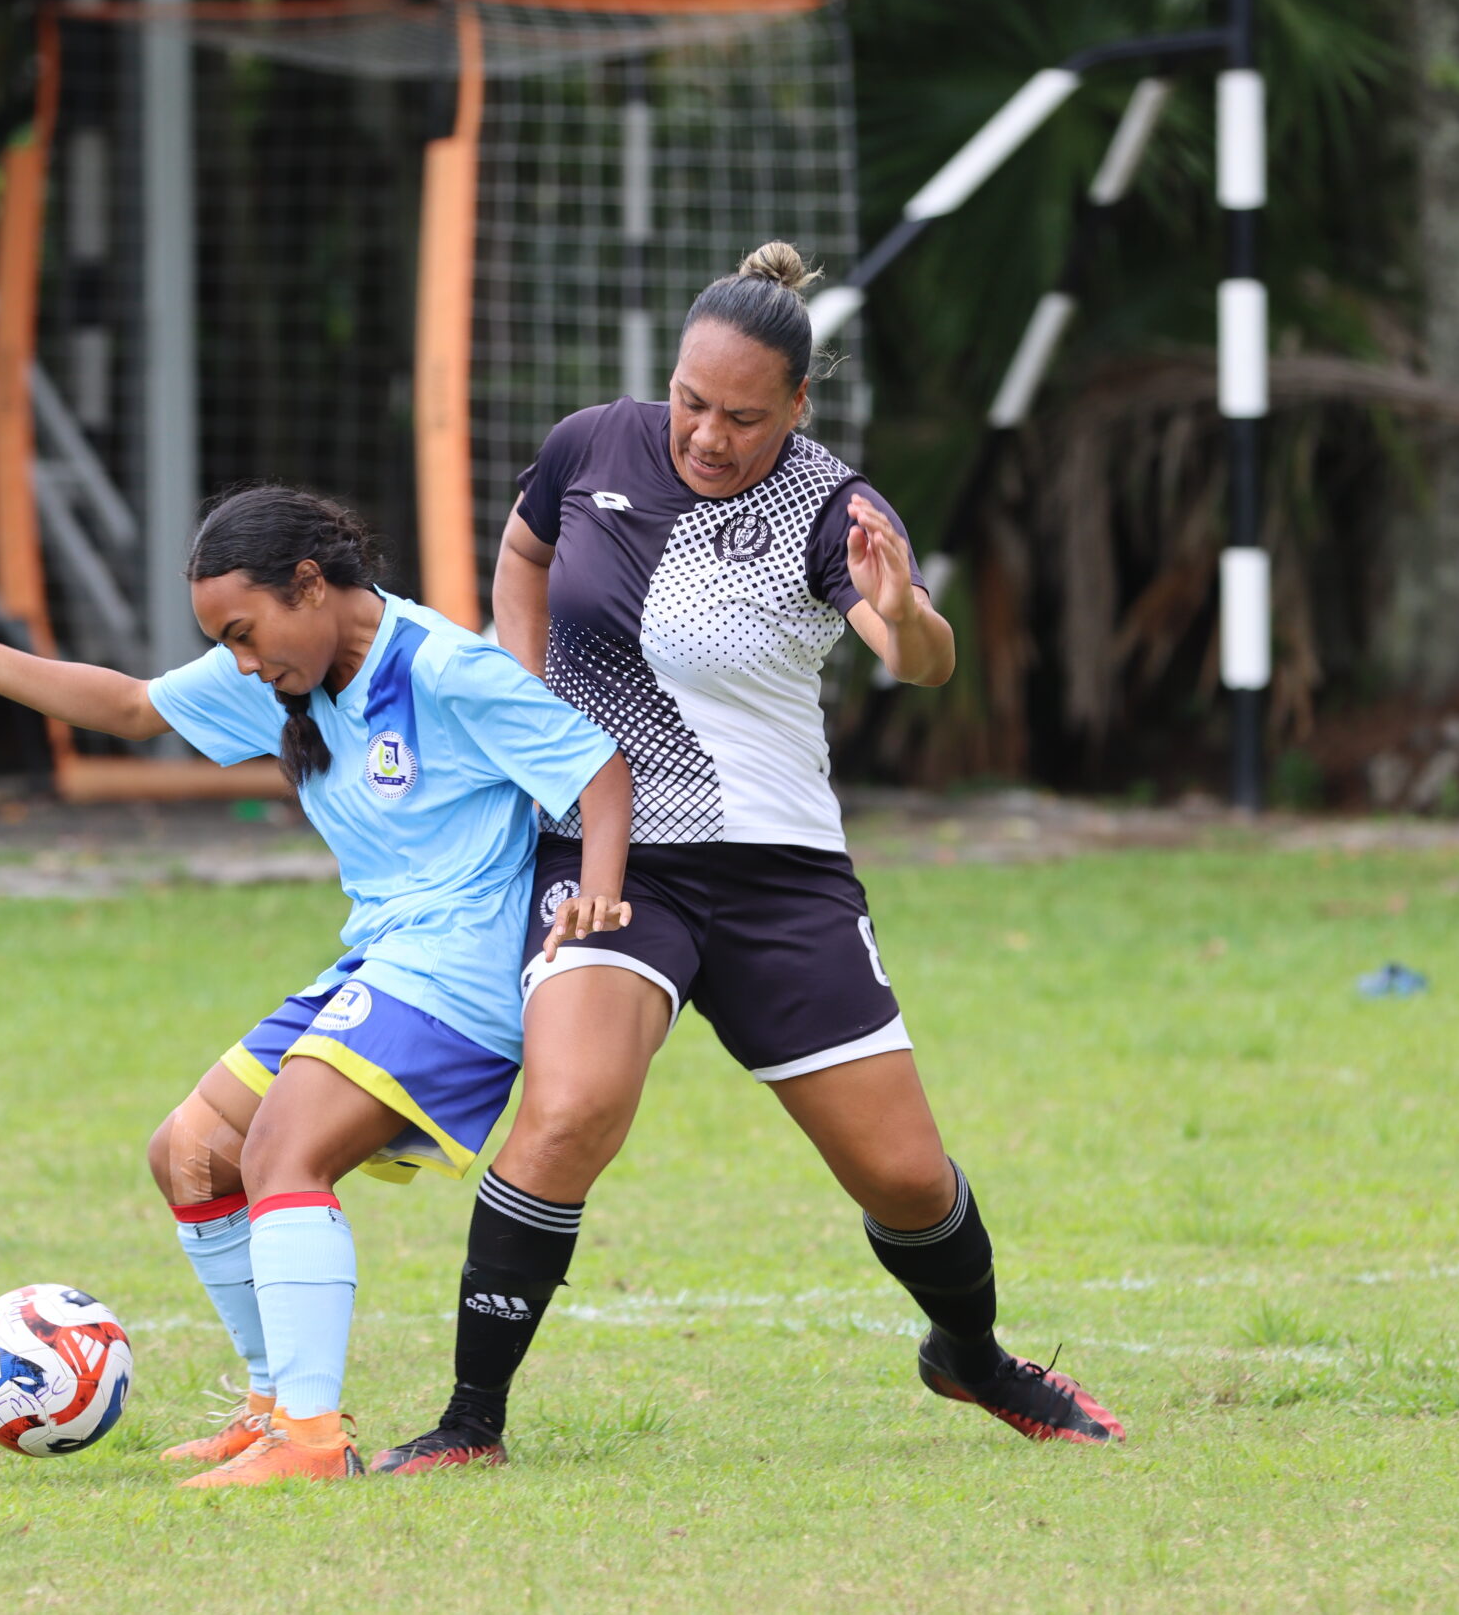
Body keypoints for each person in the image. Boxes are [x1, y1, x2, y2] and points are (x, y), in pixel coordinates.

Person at [373, 244, 1122, 1474]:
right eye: (691, 402)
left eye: (743, 416)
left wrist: (910, 607)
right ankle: (470, 1424)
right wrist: (524, 699)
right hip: (610, 852)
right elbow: (523, 549)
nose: (709, 435)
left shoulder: (830, 508)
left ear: (796, 408)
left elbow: (911, 656)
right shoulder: (589, 447)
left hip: (778, 874)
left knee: (903, 1176)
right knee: (567, 1113)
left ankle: (971, 1358)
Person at [0, 487, 633, 1487]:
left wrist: (602, 897)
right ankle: (275, 1406)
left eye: (243, 632)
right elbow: (133, 707)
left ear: (310, 586)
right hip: (379, 957)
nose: (238, 659)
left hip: (458, 972)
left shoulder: (444, 668)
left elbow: (596, 766)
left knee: (282, 1145)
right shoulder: (282, 676)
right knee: (190, 1152)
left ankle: (313, 1444)